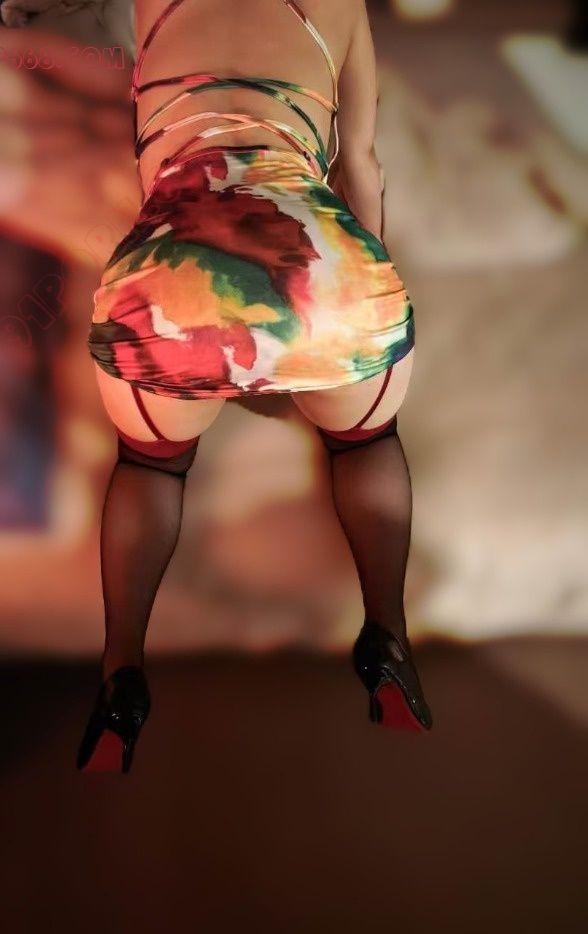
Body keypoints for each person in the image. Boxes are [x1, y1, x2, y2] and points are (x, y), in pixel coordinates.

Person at [76, 0, 433, 775]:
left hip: (174, 270)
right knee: (364, 441)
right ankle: (387, 637)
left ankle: (120, 673)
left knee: (150, 465)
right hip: (318, 263)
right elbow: (361, 166)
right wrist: (359, 280)